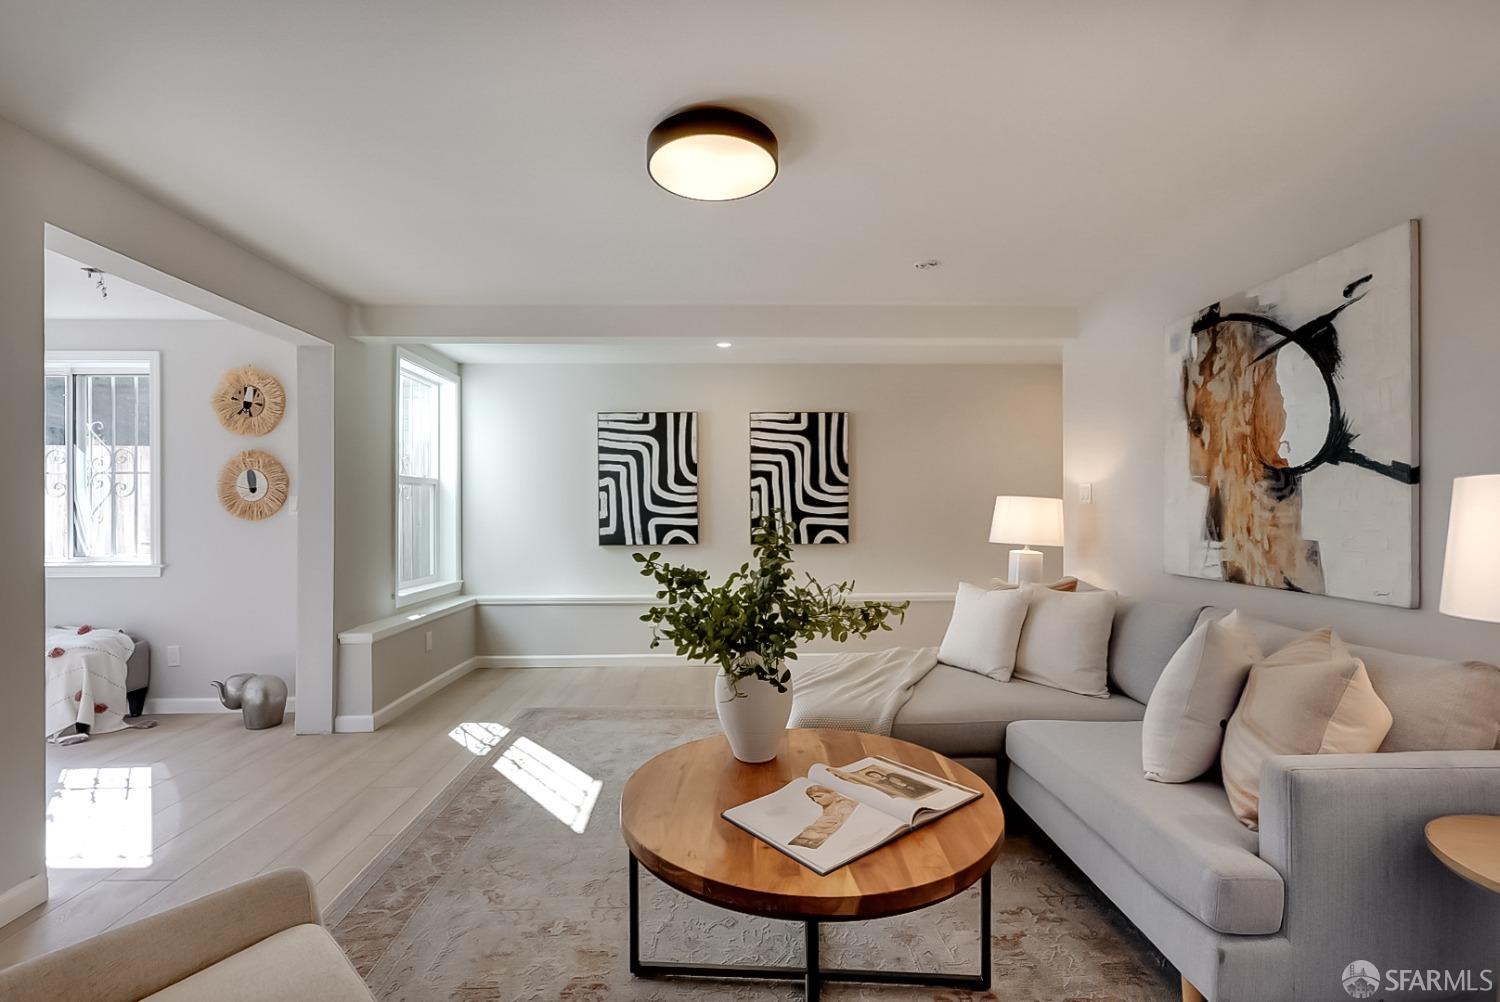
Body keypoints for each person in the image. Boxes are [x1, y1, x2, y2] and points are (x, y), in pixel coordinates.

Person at [788, 785, 857, 849]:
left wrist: (820, 832)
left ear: (833, 794)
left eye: (819, 796)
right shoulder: (827, 806)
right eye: (812, 798)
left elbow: (843, 826)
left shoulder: (845, 806)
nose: (816, 801)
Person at [828, 764, 939, 800]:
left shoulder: (891, 776)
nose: (876, 776)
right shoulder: (883, 784)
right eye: (873, 776)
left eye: (875, 774)